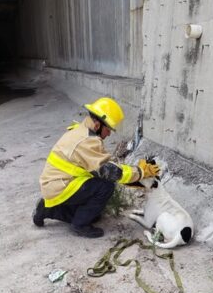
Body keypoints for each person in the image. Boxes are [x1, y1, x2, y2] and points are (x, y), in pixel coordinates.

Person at [32, 97, 160, 238]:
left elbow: (100, 163)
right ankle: (80, 225)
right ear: (98, 125)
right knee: (105, 186)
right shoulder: (87, 142)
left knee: (93, 213)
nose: (109, 133)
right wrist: (141, 172)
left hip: (56, 183)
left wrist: (133, 174)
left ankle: (48, 210)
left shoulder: (81, 131)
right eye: (108, 129)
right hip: (59, 186)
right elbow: (112, 172)